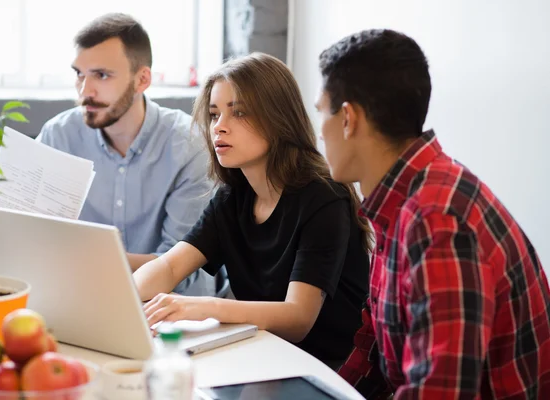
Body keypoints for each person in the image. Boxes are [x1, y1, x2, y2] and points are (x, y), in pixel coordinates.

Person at [315, 29, 550, 398]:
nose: (319, 134)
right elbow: (374, 348)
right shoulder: (404, 196)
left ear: (348, 119)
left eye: (321, 114)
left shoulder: (436, 219)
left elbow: (439, 392)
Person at [133, 52, 372, 368]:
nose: (220, 127)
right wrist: (129, 301)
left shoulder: (325, 197)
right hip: (263, 357)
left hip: (331, 369)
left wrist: (203, 307)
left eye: (239, 113)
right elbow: (169, 267)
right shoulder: (232, 199)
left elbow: (298, 319)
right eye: (215, 114)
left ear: (278, 118)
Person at [37, 13, 212, 294]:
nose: (85, 90)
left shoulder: (189, 147)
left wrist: (82, 260)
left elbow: (182, 268)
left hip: (172, 309)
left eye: (102, 75)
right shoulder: (58, 136)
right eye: (79, 74)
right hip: (83, 297)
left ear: (142, 80)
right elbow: (32, 237)